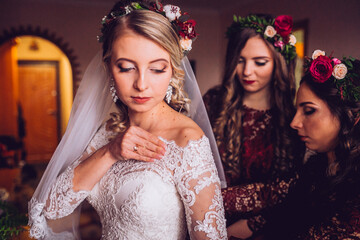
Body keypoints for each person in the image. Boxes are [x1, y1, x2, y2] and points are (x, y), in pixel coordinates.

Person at [27, 1, 227, 239]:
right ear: (109, 68)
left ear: (173, 69)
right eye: (126, 68)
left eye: (157, 69)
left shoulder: (187, 140)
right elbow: (51, 207)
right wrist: (111, 152)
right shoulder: (106, 132)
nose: (141, 84)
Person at [222, 50, 360, 239]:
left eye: (309, 111)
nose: (294, 123)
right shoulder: (315, 170)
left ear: (349, 115)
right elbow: (266, 194)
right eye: (297, 110)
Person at [203, 14, 303, 236]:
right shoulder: (214, 101)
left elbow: (294, 189)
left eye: (259, 62)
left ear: (278, 61)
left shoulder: (294, 116)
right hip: (208, 221)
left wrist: (252, 225)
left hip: (269, 229)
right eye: (240, 60)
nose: (247, 71)